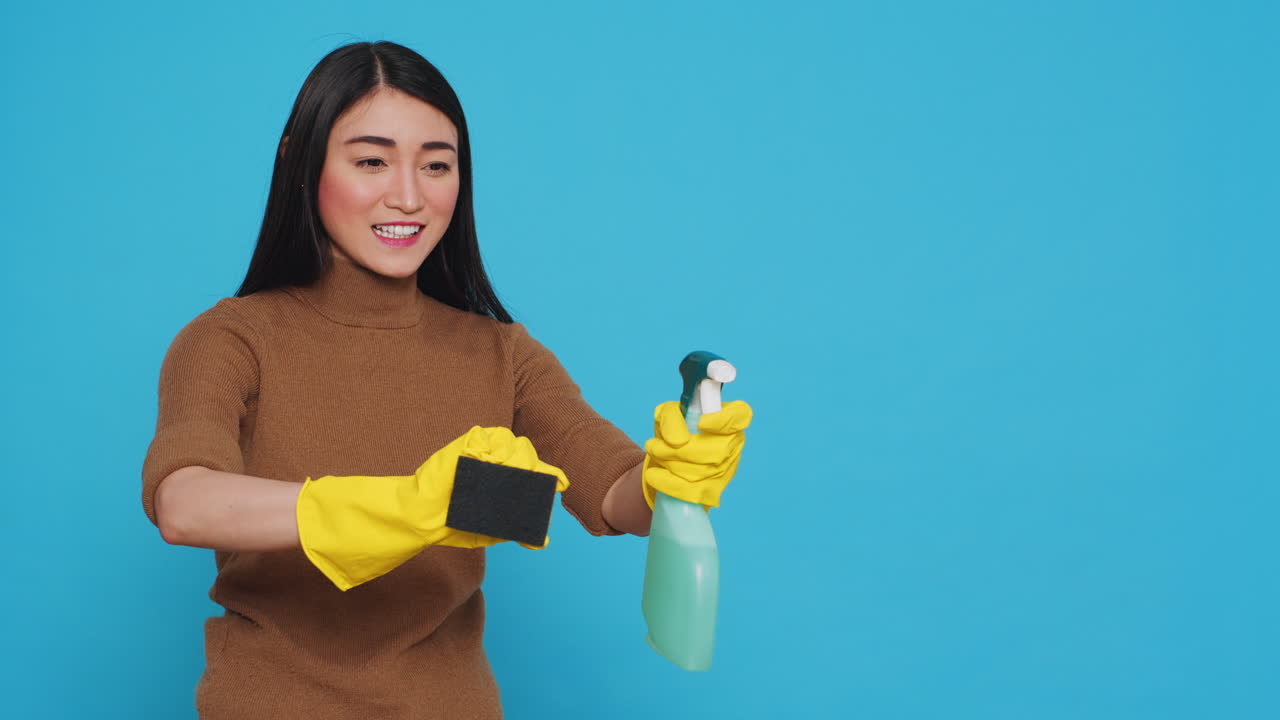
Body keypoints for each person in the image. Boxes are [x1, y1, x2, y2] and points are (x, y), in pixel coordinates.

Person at [141, 41, 751, 719]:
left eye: (437, 165)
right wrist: (409, 506)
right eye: (371, 160)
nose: (408, 195)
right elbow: (184, 504)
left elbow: (611, 496)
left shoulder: (500, 353)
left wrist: (667, 483)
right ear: (299, 160)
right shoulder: (231, 339)